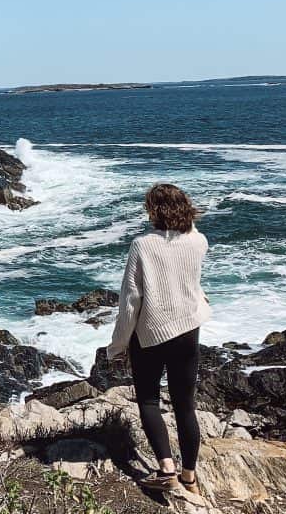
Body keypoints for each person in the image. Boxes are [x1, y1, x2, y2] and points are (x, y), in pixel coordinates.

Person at [107, 183, 211, 496]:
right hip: (188, 329)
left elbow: (130, 302)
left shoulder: (142, 245)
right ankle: (189, 477)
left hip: (151, 333)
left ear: (155, 210)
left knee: (150, 401)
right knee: (185, 406)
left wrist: (117, 345)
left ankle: (166, 469)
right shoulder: (198, 241)